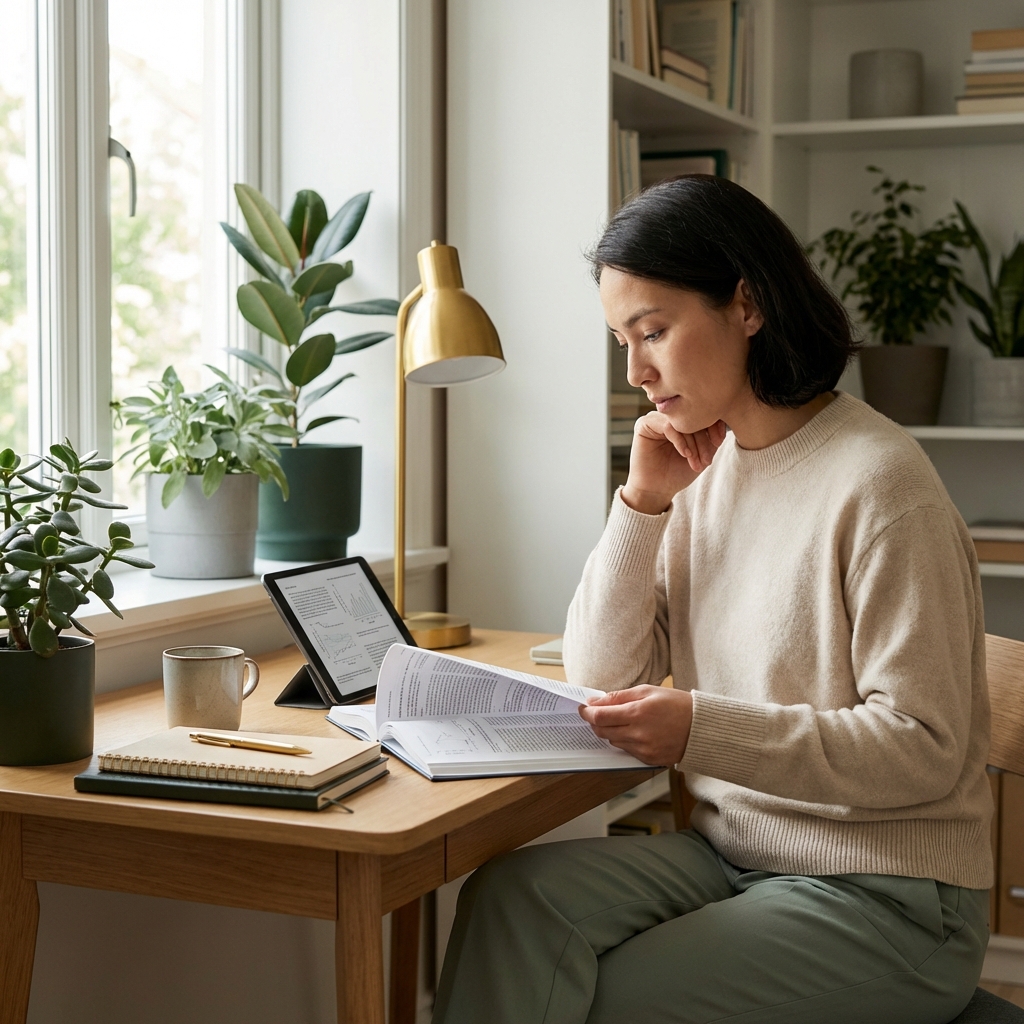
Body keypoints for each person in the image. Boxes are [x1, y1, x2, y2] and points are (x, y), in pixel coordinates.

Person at [431, 175, 992, 1024]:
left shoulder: (881, 485)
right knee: (511, 901)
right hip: (732, 854)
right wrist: (641, 506)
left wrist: (701, 727)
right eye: (622, 340)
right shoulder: (701, 472)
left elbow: (924, 748)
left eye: (653, 331)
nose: (636, 370)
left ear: (749, 305)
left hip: (890, 894)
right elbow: (600, 671)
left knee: (610, 999)